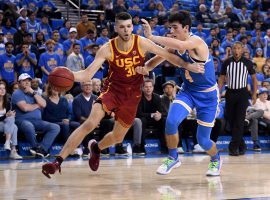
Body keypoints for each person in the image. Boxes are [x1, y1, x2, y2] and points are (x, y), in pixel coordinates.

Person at [41, 12, 204, 178]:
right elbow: (86, 74)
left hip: (132, 97)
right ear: (116, 28)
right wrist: (67, 75)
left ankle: (96, 148)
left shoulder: (141, 42)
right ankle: (57, 162)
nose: (126, 30)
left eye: (128, 26)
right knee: (90, 123)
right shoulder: (107, 49)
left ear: (132, 27)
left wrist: (187, 66)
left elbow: (167, 55)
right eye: (122, 27)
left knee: (118, 138)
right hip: (112, 91)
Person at [137, 11, 221, 176]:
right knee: (171, 121)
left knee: (203, 141)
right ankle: (173, 157)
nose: (172, 31)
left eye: (175, 28)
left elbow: (181, 47)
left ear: (186, 28)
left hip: (207, 96)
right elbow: (160, 57)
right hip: (188, 92)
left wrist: (151, 37)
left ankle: (216, 159)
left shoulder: (197, 42)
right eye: (170, 28)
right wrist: (145, 67)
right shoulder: (174, 43)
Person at [218, 42, 257, 156]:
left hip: (242, 94)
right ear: (231, 50)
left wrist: (254, 94)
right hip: (230, 93)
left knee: (239, 120)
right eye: (234, 48)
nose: (236, 50)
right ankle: (242, 145)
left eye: (238, 48)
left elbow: (254, 80)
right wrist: (218, 93)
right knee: (231, 120)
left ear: (242, 49)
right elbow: (221, 79)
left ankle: (233, 147)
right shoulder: (226, 62)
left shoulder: (248, 63)